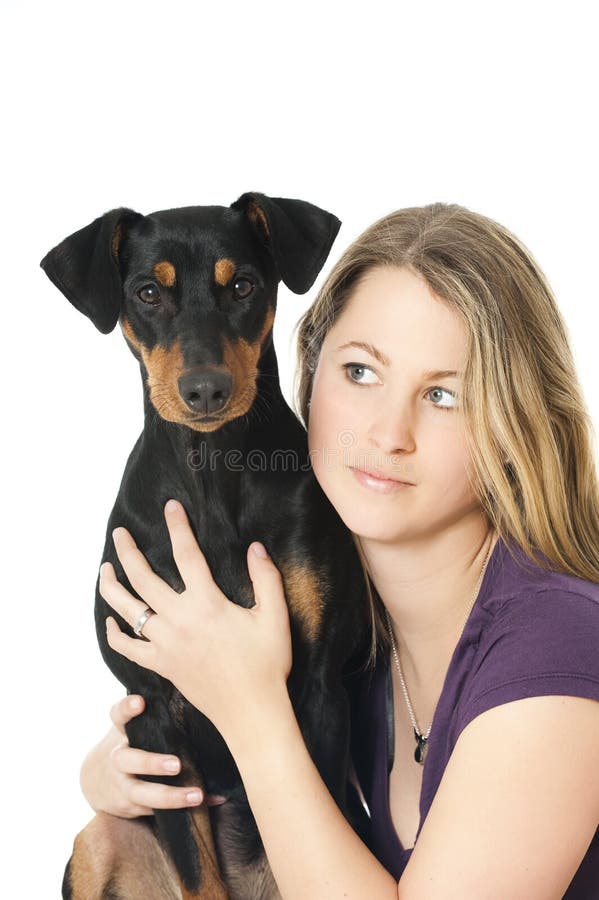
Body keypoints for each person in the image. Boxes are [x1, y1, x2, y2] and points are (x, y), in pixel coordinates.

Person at [80, 203, 599, 897]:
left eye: (444, 395)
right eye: (360, 373)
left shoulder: (559, 645)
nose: (388, 434)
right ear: (309, 365)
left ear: (516, 422)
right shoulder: (350, 623)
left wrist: (248, 706)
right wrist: (114, 770)